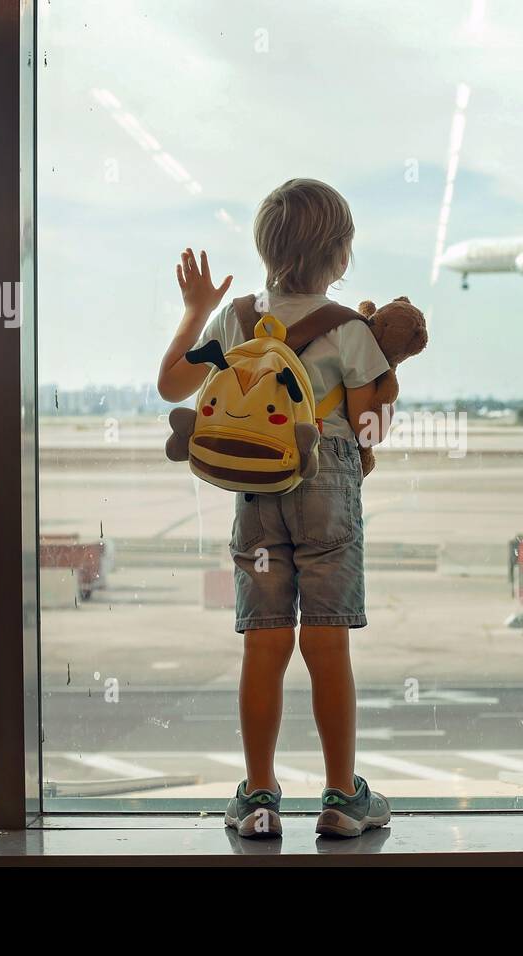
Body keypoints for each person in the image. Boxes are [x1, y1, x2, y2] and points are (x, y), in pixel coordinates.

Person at [157, 179, 393, 838]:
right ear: (341, 256)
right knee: (327, 639)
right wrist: (380, 378)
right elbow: (371, 426)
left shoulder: (235, 319)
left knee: (264, 642)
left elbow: (172, 383)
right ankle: (342, 799)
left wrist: (195, 307)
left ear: (264, 248)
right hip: (325, 488)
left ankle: (259, 798)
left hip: (259, 492)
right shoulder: (350, 329)